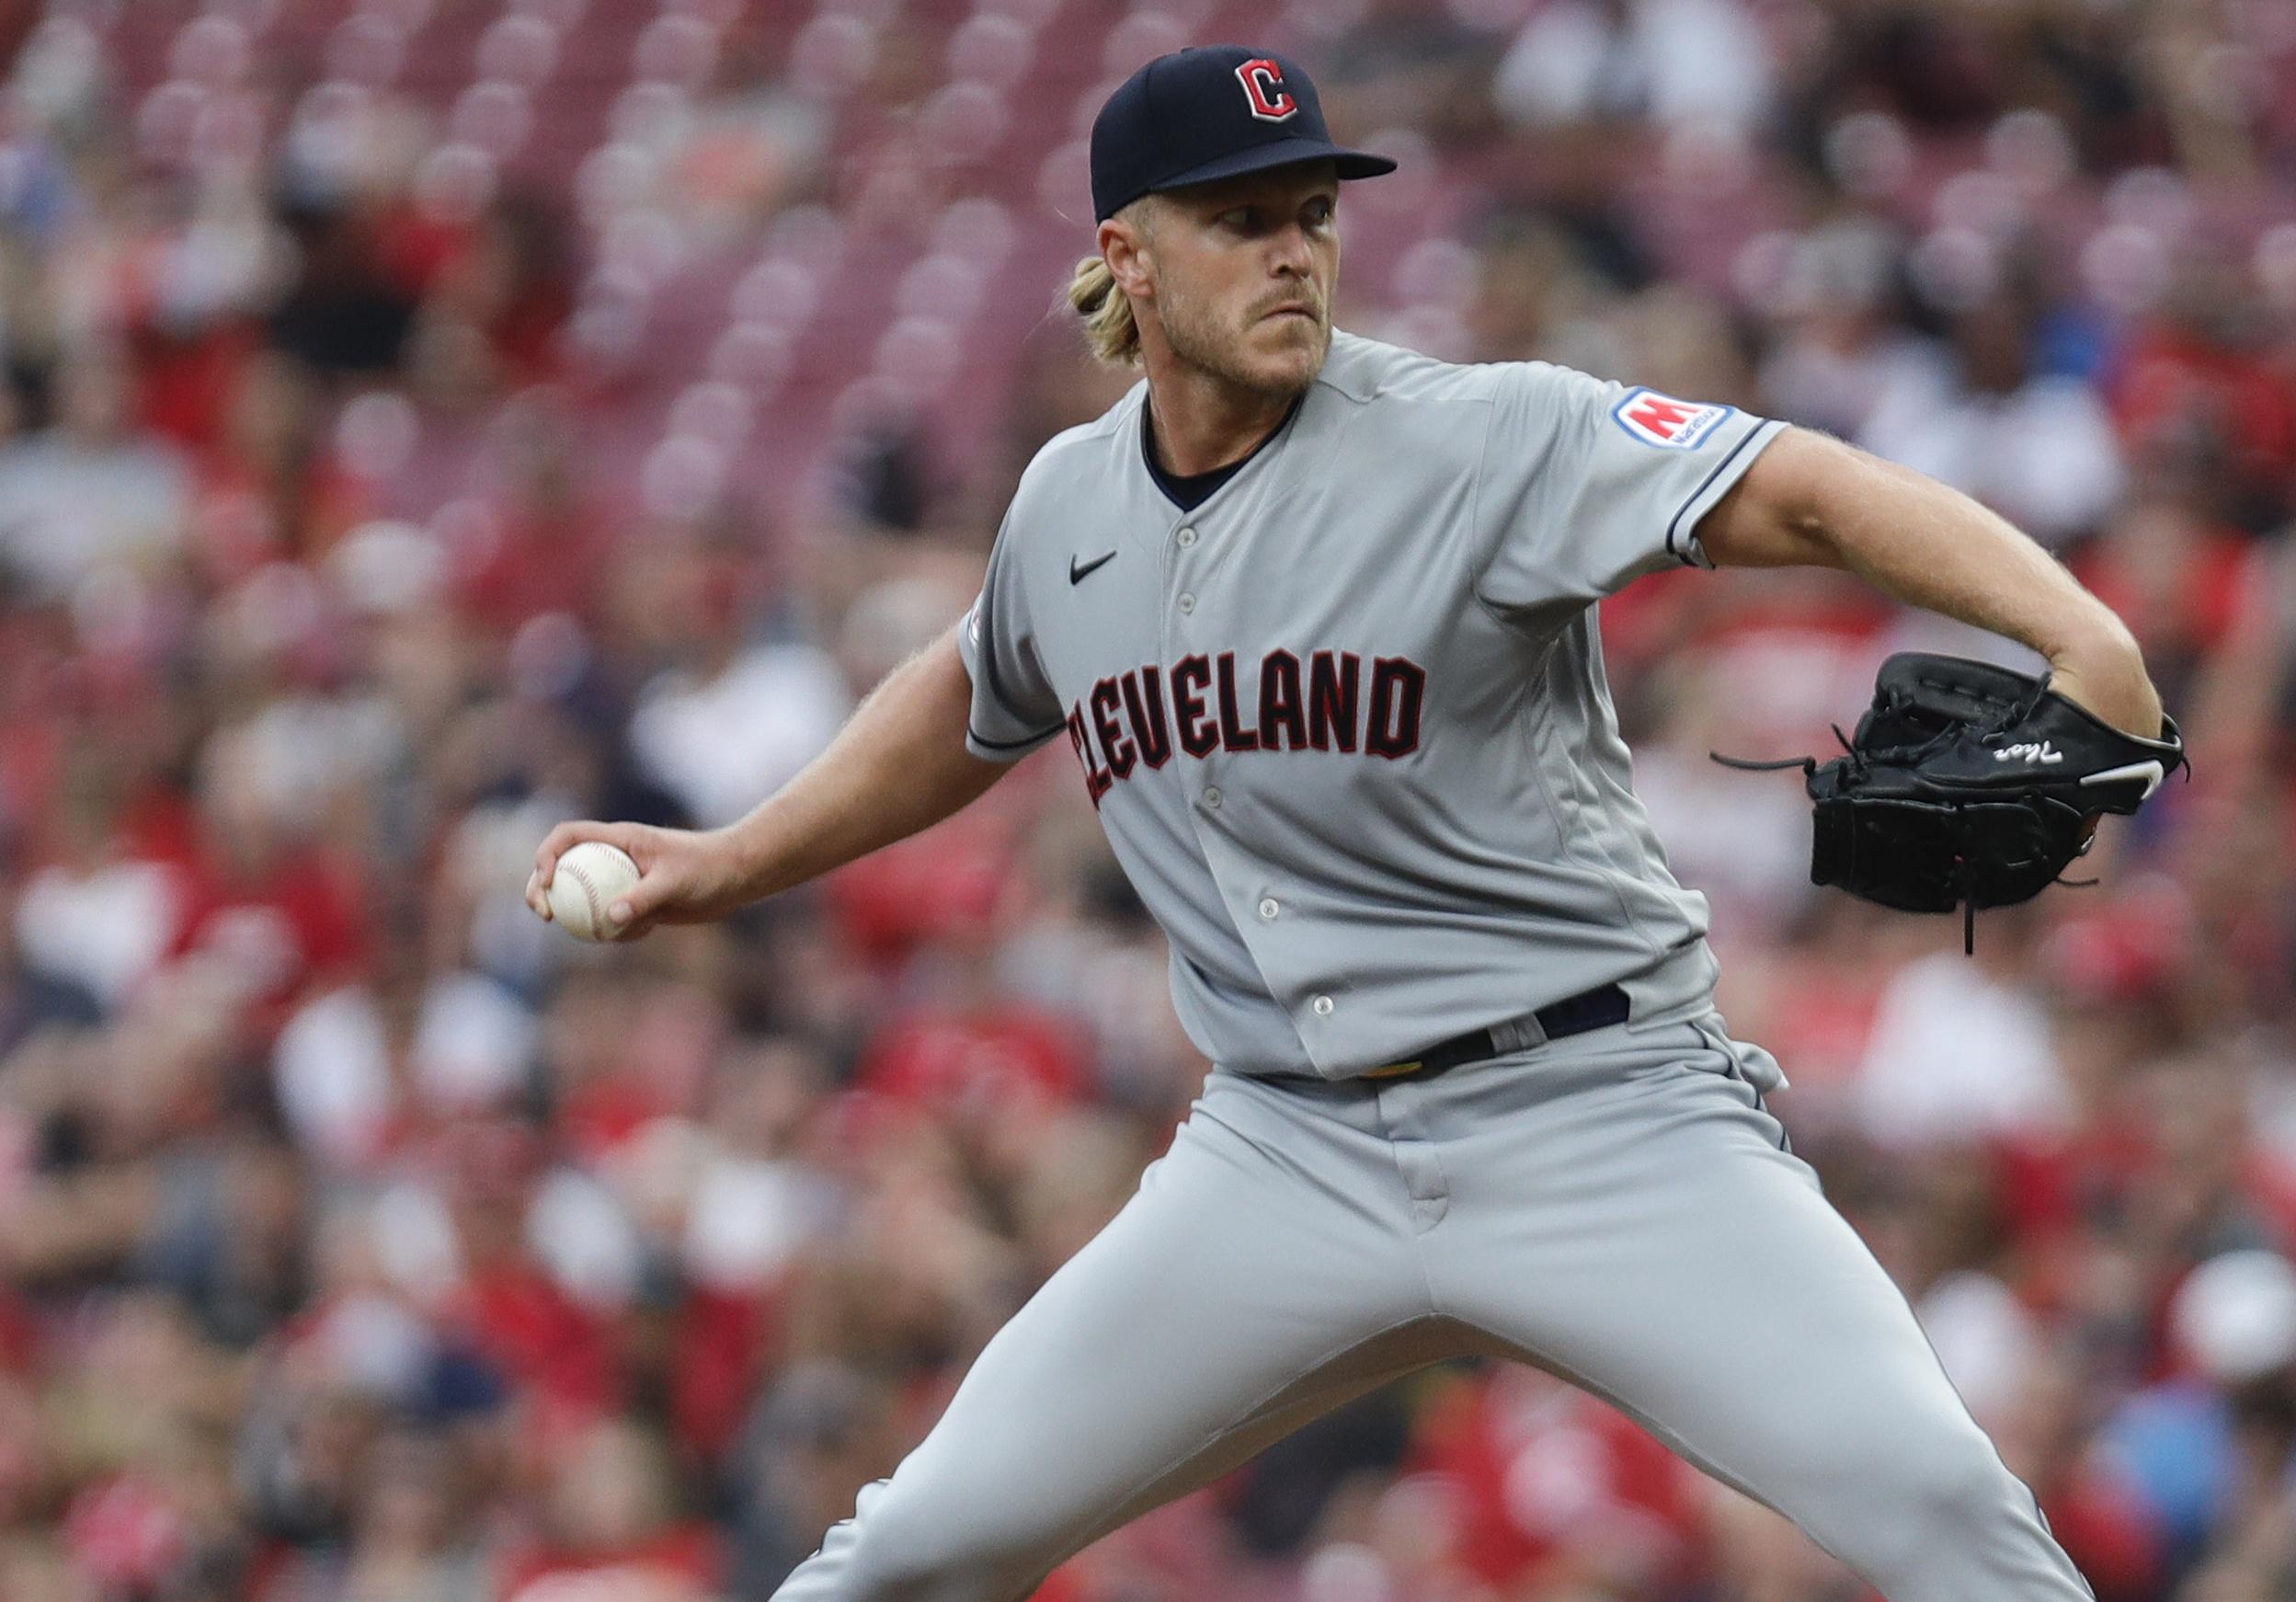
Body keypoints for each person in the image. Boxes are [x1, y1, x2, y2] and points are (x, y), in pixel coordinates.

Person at [526, 44, 2163, 1602]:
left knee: (1945, 1509)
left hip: (1598, 1112)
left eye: (1312, 213)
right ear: (1132, 258)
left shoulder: (1479, 435)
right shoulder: (1066, 507)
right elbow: (976, 686)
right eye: (1241, 221)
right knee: (911, 1550)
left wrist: (2075, 631)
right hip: (1283, 1150)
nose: (1293, 252)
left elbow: (1798, 486)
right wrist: (728, 859)